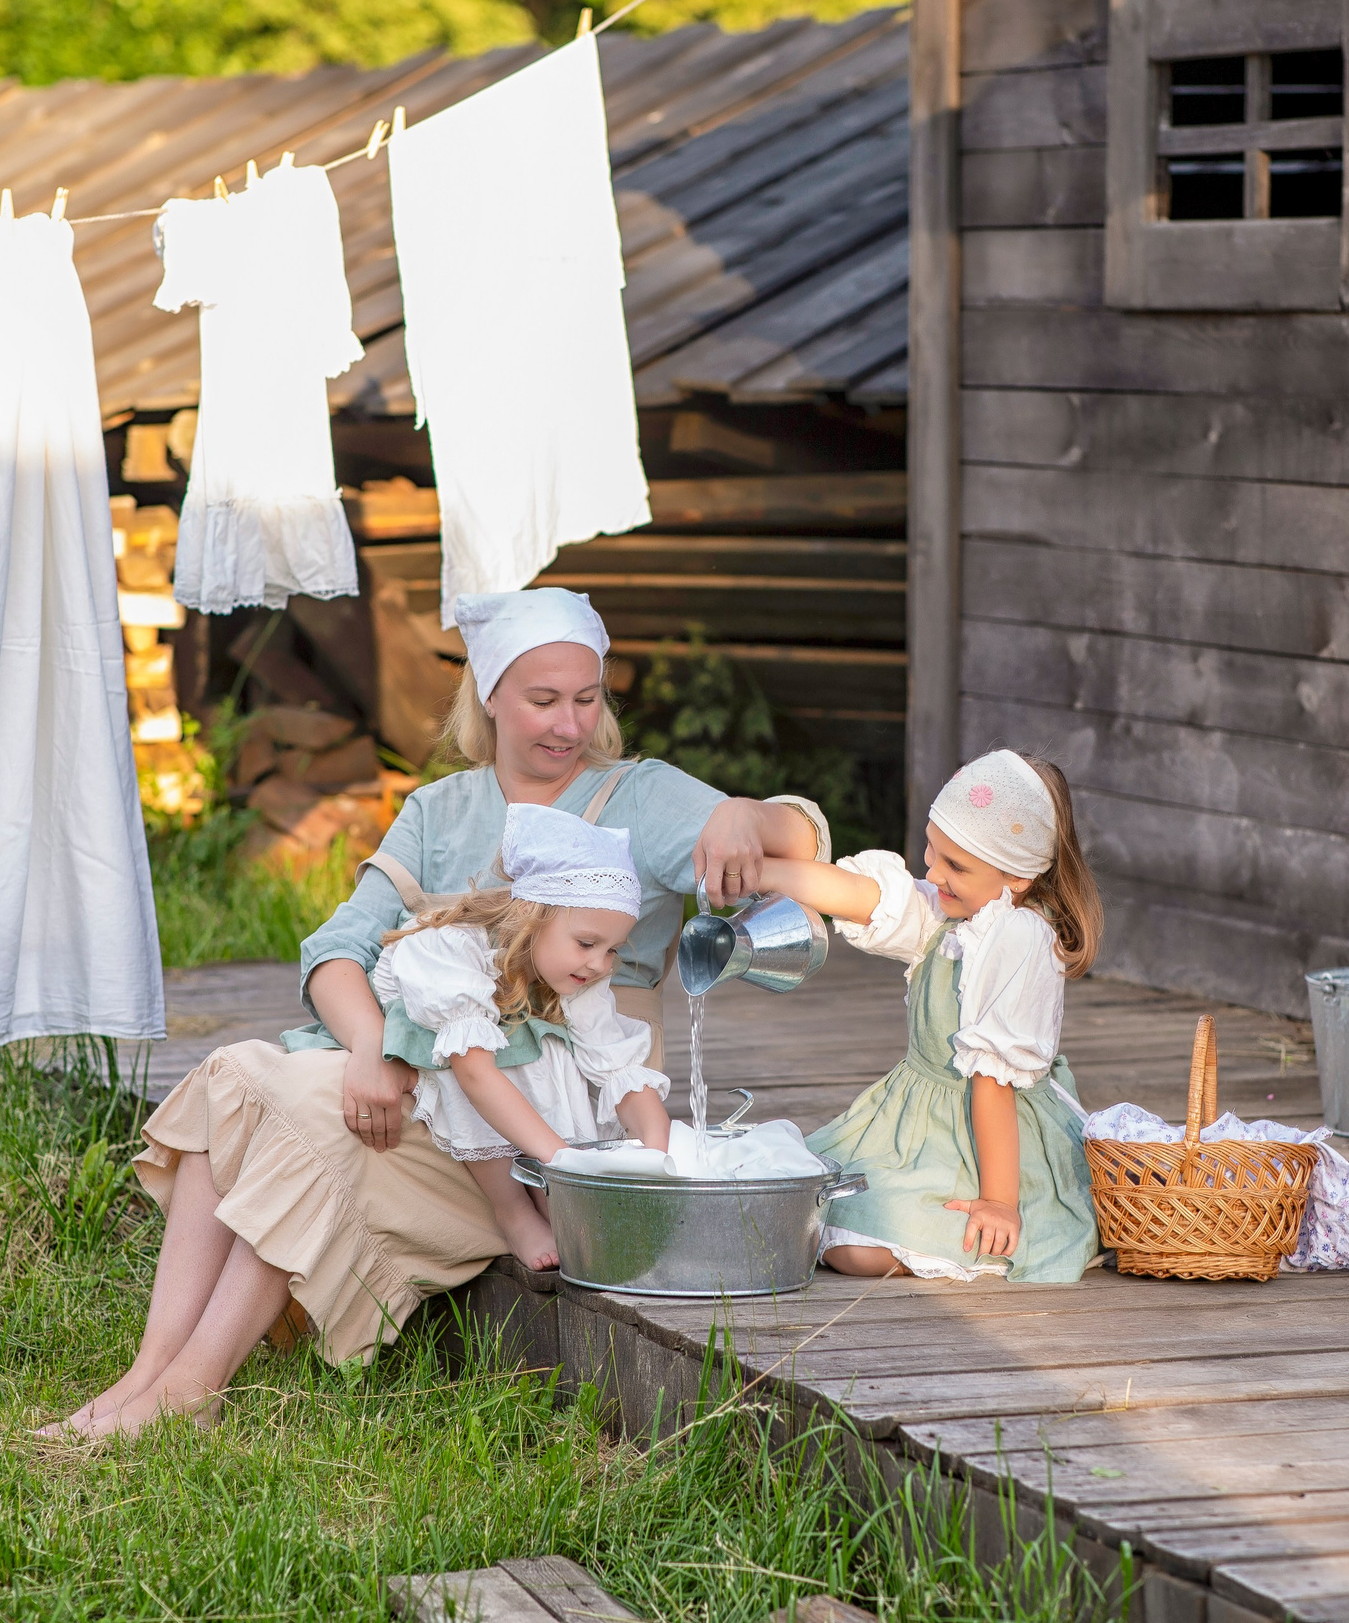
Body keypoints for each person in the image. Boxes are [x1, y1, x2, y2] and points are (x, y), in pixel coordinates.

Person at [40, 588, 825, 1437]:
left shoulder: (636, 795)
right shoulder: (440, 810)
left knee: (306, 1116)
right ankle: (152, 1373)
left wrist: (746, 814)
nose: (569, 723)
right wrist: (373, 1049)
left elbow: (802, 838)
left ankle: (195, 1386)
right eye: (542, 700)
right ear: (489, 695)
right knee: (236, 1075)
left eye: (587, 698)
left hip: (537, 1107)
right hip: (425, 1072)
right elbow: (336, 948)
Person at [752, 749, 1101, 1283]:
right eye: (932, 852)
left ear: (1018, 878)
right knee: (800, 1194)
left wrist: (999, 1202)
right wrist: (765, 872)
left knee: (856, 1249)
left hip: (996, 1139)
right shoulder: (953, 908)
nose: (933, 872)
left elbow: (992, 1082)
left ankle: (987, 1227)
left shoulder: (1021, 938)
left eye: (955, 866)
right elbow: (865, 899)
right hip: (917, 1119)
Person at [371, 802, 671, 1268]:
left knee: (557, 1056)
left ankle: (554, 1198)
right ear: (532, 916)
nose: (599, 964)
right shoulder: (450, 948)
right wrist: (564, 1160)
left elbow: (617, 1062)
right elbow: (474, 1073)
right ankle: (512, 1209)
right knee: (480, 1065)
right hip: (443, 1048)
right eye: (588, 944)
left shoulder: (578, 973)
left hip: (507, 1039)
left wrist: (658, 1153)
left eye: (612, 950)